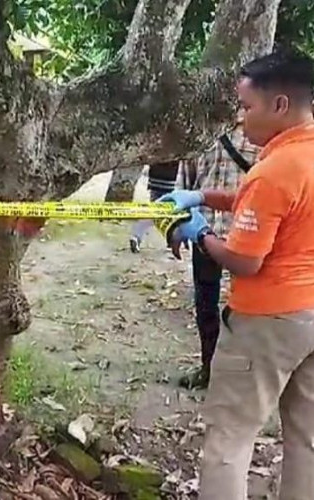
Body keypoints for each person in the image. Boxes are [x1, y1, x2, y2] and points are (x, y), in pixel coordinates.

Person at [162, 49, 314, 499]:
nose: (240, 119)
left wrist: (200, 232)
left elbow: (246, 261)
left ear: (279, 105)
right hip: (310, 315)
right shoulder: (300, 156)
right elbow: (278, 208)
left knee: (229, 438)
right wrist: (204, 196)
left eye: (246, 107)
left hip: (266, 323)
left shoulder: (276, 169)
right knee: (306, 437)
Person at [174, 123, 260, 390]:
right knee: (205, 305)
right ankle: (209, 369)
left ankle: (246, 374)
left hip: (248, 233)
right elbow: (184, 181)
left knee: (247, 310)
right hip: (205, 227)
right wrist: (176, 227)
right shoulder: (201, 130)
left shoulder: (261, 130)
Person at [129, 161, 180, 253]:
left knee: (161, 212)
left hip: (157, 177)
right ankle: (137, 235)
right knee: (163, 213)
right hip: (169, 180)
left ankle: (171, 240)